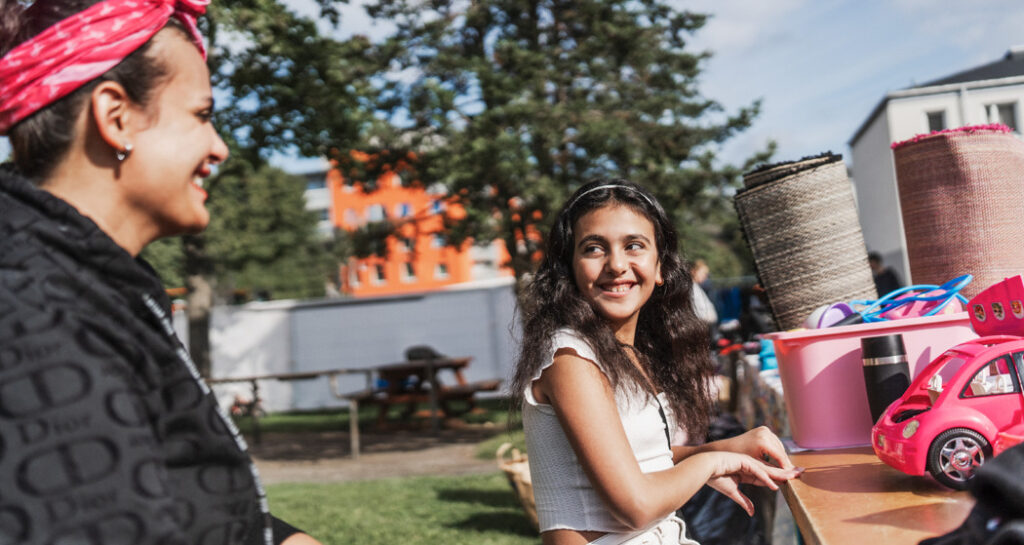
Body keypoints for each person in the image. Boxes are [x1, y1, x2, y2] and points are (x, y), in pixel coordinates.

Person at [0, 0, 320, 543]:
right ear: (116, 117)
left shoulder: (95, 281)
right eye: (201, 115)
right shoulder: (32, 309)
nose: (219, 148)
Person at [511, 180, 802, 545]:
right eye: (594, 248)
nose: (617, 265)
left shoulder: (626, 351)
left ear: (660, 266)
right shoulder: (570, 357)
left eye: (634, 246)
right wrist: (713, 464)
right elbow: (635, 505)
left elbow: (639, 460)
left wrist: (722, 450)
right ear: (569, 269)